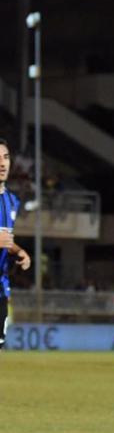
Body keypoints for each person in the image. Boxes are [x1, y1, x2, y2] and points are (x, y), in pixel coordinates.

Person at [0, 139, 31, 350]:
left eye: (6, 157)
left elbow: (6, 239)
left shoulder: (12, 201)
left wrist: (20, 251)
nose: (2, 163)